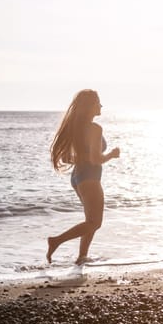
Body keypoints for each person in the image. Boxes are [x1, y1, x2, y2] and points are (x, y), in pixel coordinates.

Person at [47, 89, 120, 265]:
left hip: (78, 178)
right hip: (90, 177)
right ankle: (56, 241)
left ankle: (82, 257)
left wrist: (84, 157)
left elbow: (67, 158)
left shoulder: (76, 128)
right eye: (98, 102)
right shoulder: (95, 128)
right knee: (95, 223)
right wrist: (112, 154)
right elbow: (96, 159)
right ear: (90, 106)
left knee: (90, 221)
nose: (101, 105)